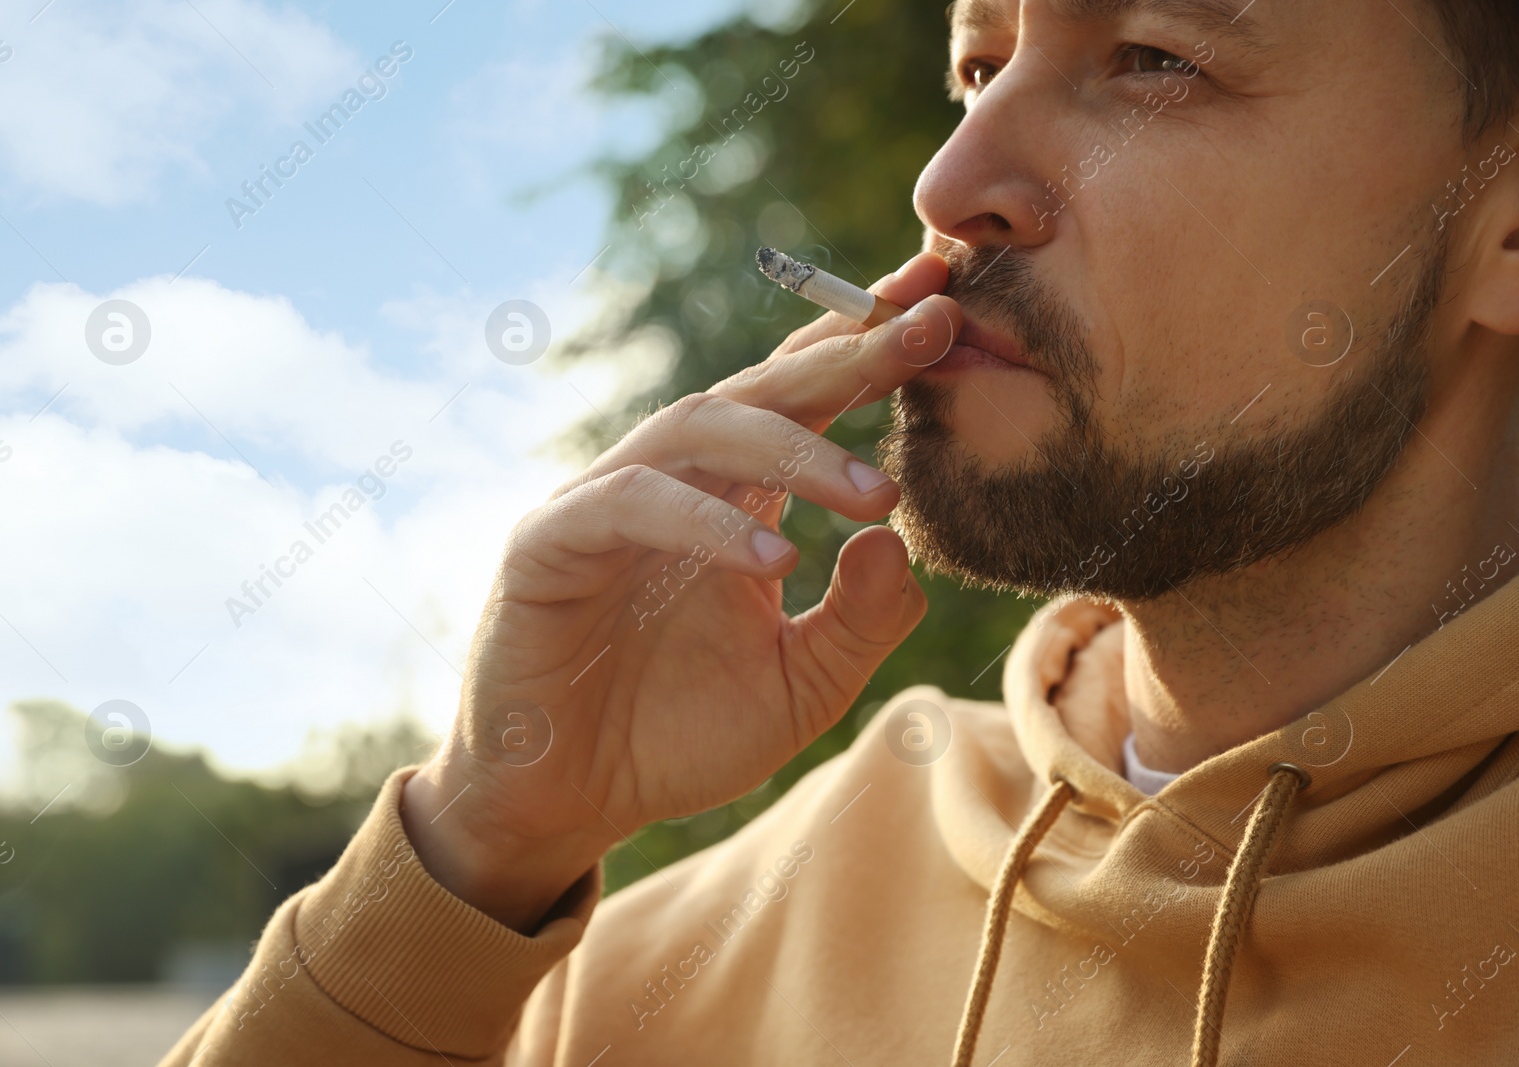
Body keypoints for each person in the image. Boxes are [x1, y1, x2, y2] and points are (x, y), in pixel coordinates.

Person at [163, 0, 1519, 1063]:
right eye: (977, 69)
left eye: (1155, 59)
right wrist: (480, 846)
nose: (954, 181)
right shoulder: (668, 972)